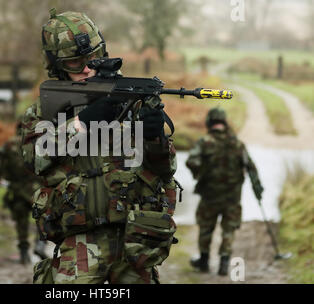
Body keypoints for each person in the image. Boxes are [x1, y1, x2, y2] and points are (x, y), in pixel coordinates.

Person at [20, 9, 179, 284]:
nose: (85, 68)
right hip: (81, 240)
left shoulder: (132, 98)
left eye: (92, 58)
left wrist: (155, 138)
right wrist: (82, 123)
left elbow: (166, 170)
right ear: (56, 65)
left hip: (137, 238)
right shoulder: (45, 110)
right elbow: (34, 158)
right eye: (74, 63)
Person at [185, 107, 264, 276]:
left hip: (209, 196)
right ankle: (224, 263)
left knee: (206, 228)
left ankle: (204, 261)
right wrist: (258, 190)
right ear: (224, 122)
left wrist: (202, 172)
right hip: (232, 198)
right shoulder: (238, 144)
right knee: (229, 230)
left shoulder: (205, 142)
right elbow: (251, 168)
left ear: (210, 122)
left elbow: (192, 161)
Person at [0, 128, 48, 265]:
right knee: (43, 217)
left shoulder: (9, 144)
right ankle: (40, 244)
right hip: (39, 189)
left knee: (21, 221)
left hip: (17, 189)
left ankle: (23, 253)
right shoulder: (42, 142)